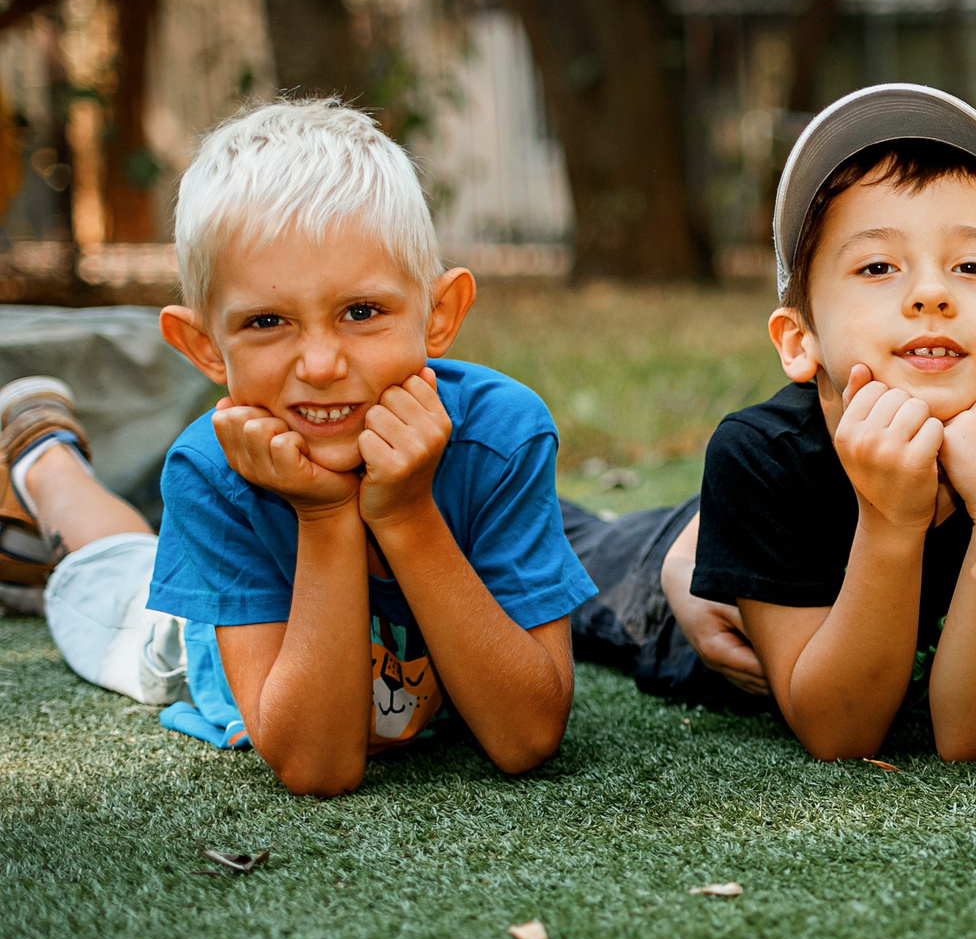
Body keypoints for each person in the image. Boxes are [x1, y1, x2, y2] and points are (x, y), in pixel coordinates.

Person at [8, 99, 596, 795]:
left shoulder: (503, 436)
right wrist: (322, 516)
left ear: (439, 316)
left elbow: (526, 737)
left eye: (361, 312)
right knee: (112, 576)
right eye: (266, 321)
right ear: (204, 346)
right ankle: (46, 460)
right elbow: (317, 767)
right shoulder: (210, 471)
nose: (319, 363)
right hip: (184, 642)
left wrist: (406, 514)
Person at [677, 84, 976, 762]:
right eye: (877, 265)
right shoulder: (758, 456)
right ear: (797, 341)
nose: (931, 292)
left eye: (971, 265)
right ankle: (678, 537)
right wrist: (890, 522)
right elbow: (838, 734)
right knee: (600, 555)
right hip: (664, 597)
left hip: (759, 526)